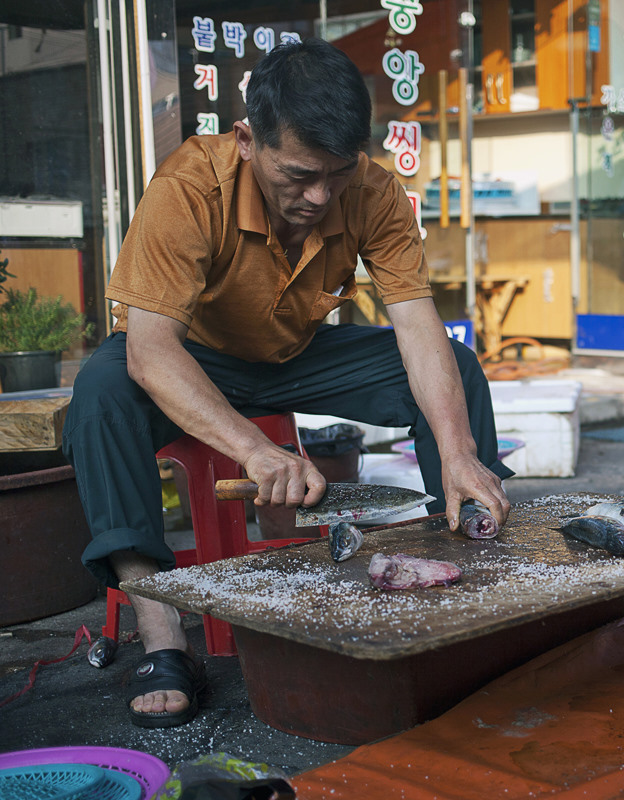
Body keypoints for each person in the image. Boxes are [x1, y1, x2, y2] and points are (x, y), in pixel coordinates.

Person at [61, 38, 512, 729]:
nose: (319, 196)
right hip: (196, 358)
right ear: (247, 140)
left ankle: (462, 579)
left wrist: (456, 449)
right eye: (299, 175)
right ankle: (163, 642)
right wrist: (257, 452)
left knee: (458, 371)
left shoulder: (371, 190)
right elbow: (152, 353)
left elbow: (419, 327)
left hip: (296, 354)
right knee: (101, 390)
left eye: (336, 174)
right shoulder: (187, 188)